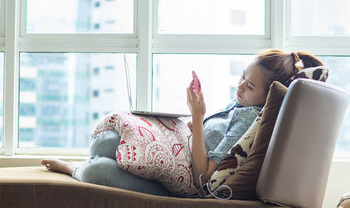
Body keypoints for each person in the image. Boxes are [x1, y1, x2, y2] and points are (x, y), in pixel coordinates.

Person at [41, 49, 324, 196]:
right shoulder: (239, 105)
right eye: (241, 77)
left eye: (249, 86)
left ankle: (77, 171)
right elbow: (208, 140)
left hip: (185, 184)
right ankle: (87, 167)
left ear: (266, 96)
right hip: (177, 155)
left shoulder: (248, 117)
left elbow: (205, 176)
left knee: (97, 171)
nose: (239, 87)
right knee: (107, 141)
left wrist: (198, 118)